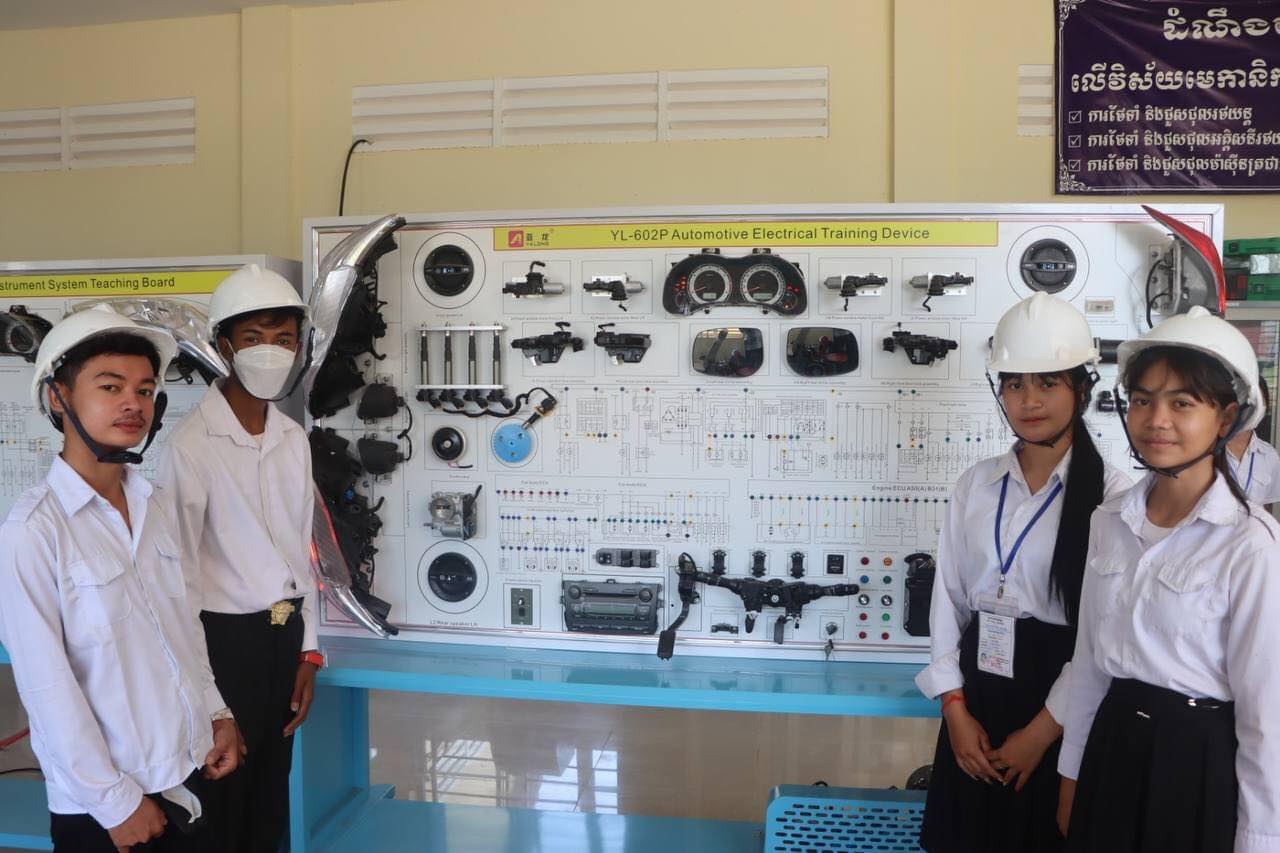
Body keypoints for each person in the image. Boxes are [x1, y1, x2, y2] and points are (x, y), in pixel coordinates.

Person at [0, 304, 240, 852]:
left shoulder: (156, 506)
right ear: (58, 397)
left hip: (188, 768)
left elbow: (184, 628)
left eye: (146, 389)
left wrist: (216, 713)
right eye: (110, 386)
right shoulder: (32, 532)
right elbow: (46, 687)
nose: (134, 403)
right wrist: (115, 802)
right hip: (105, 808)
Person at [1057, 306, 1280, 852]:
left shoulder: (1251, 542)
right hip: (1111, 746)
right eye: (1142, 400)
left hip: (1195, 763)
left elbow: (1266, 713)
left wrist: (1258, 839)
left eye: (1182, 403)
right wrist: (1071, 776)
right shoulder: (1108, 521)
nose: (1156, 420)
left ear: (1225, 418)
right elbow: (1089, 666)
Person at [916, 293, 1131, 852]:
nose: (1029, 400)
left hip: (1061, 700)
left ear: (1081, 388)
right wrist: (954, 707)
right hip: (977, 691)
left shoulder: (1114, 497)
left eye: (1047, 383)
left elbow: (1103, 636)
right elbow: (949, 600)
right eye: (1014, 384)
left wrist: (1041, 734)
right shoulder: (977, 484)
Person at [156, 264, 323, 852]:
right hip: (222, 645)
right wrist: (211, 703)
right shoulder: (190, 448)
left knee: (269, 797)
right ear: (223, 346)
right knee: (220, 800)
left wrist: (309, 650)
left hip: (283, 634)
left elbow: (302, 553)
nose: (270, 351)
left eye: (283, 338)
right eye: (253, 338)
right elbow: (175, 584)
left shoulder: (291, 438)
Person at [1226, 375, 1280, 509]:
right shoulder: (1207, 449)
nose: (1252, 409)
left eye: (1259, 403)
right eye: (1246, 401)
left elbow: (1267, 506)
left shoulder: (1269, 455)